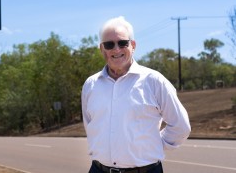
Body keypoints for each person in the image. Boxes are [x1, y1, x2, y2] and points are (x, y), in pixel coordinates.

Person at [81, 16, 191, 173]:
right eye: (109, 44)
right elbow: (90, 126)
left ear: (132, 45)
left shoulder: (154, 81)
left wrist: (155, 146)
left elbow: (180, 126)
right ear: (102, 49)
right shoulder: (91, 85)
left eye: (122, 43)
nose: (116, 49)